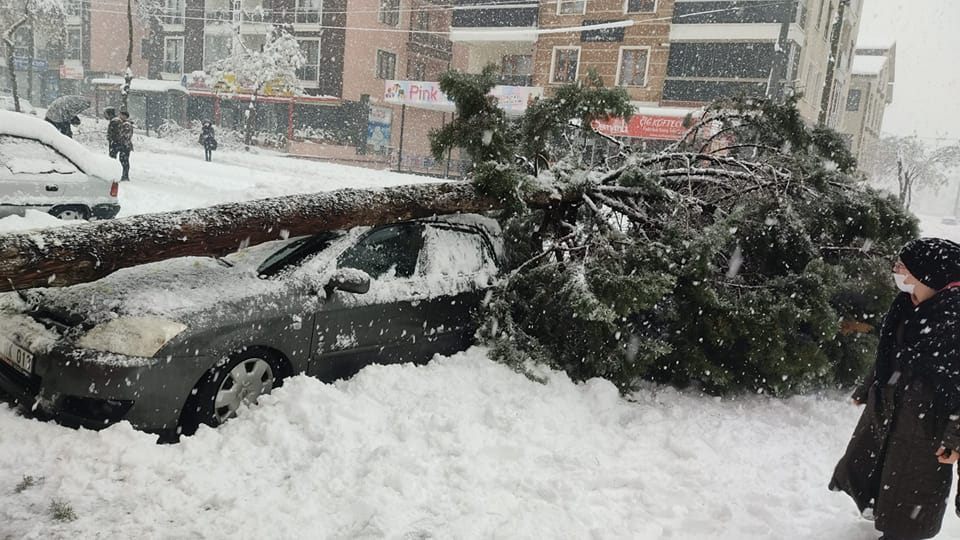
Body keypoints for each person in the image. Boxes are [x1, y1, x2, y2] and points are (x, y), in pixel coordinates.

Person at [830, 237, 960, 540]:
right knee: (881, 470)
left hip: (930, 427)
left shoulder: (954, 320)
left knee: (913, 488)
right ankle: (882, 512)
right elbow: (889, 354)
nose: (896, 269)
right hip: (891, 407)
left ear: (928, 274)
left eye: (904, 266)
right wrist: (868, 386)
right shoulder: (907, 304)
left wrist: (955, 436)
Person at [116, 111, 134, 182]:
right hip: (124, 145)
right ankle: (124, 175)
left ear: (125, 116)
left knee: (124, 161)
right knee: (123, 160)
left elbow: (125, 135)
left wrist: (120, 138)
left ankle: (125, 176)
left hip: (125, 145)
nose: (120, 116)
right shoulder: (124, 124)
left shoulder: (127, 124)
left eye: (121, 115)